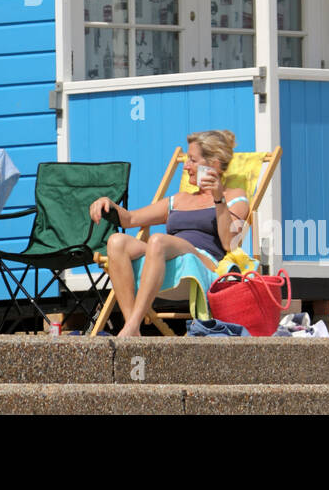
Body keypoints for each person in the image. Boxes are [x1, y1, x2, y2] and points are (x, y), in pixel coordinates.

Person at [89, 129, 249, 337]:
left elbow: (230, 243)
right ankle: (133, 328)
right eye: (185, 160)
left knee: (157, 241)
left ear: (214, 164)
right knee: (116, 241)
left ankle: (131, 325)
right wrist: (108, 203)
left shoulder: (235, 197)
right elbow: (130, 220)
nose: (186, 166)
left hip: (202, 262)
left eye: (192, 160)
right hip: (164, 256)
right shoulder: (179, 199)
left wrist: (219, 199)